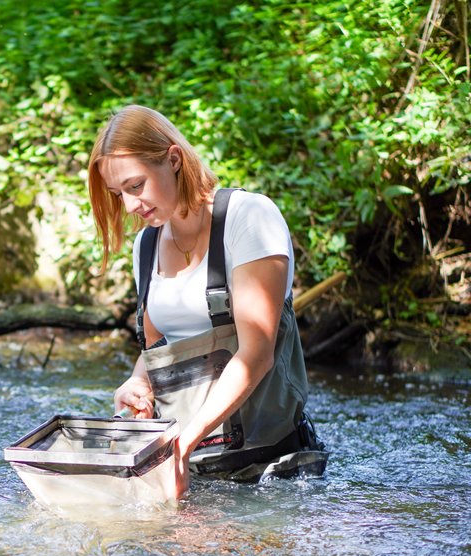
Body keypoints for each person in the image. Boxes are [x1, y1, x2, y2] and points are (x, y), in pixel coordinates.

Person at [87, 105, 325, 500]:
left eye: (135, 186)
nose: (129, 206)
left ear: (174, 159)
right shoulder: (146, 245)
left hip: (268, 475)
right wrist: (135, 384)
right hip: (188, 472)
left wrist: (182, 445)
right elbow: (156, 348)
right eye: (118, 194)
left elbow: (257, 353)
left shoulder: (248, 218)